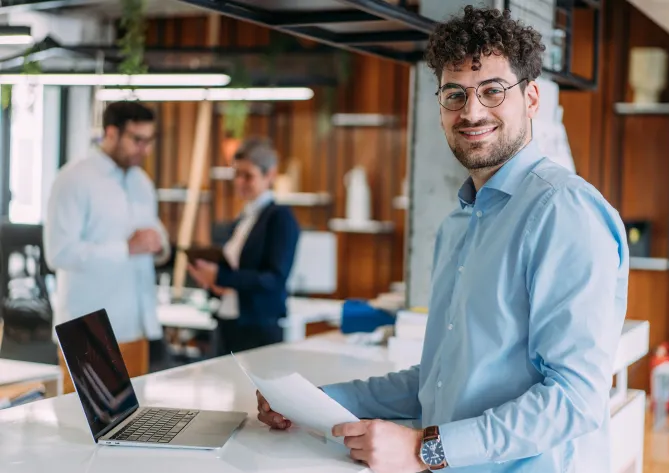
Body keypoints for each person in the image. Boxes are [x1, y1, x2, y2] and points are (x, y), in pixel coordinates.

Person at [256, 6, 629, 473]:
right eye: (455, 95)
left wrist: (422, 450)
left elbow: (575, 400)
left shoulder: (564, 212)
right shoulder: (460, 222)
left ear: (532, 99)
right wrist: (314, 400)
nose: (471, 112)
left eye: (493, 91)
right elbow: (437, 383)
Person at [45, 101, 171, 393]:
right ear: (111, 133)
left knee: (135, 431)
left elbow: (155, 236)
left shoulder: (142, 182)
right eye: (137, 140)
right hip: (88, 329)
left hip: (136, 327)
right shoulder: (74, 179)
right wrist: (126, 248)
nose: (145, 149)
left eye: (149, 140)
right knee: (85, 432)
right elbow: (59, 252)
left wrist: (159, 245)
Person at [186, 137, 300, 354]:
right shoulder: (242, 218)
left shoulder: (279, 218)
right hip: (229, 322)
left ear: (270, 175)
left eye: (248, 176)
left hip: (259, 328)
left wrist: (221, 277)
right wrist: (213, 282)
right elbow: (233, 273)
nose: (240, 182)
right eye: (237, 174)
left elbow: (275, 279)